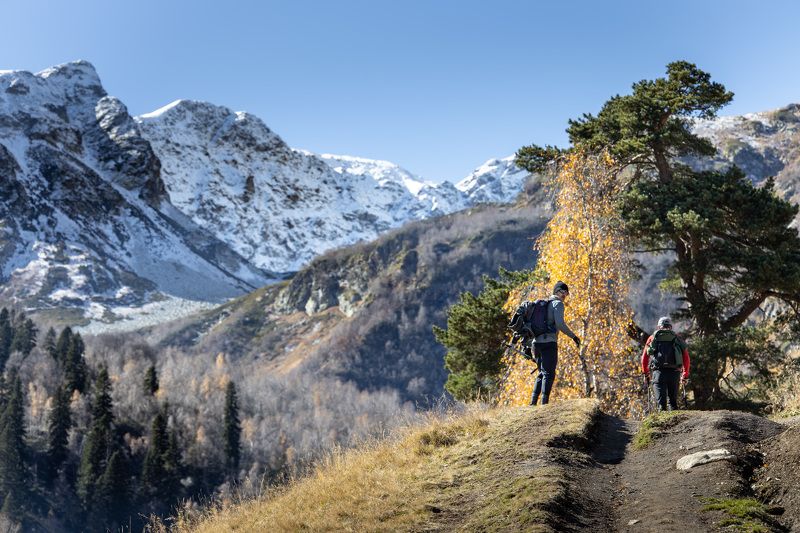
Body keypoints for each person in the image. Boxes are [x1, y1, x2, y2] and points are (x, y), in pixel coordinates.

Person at [530, 281, 581, 405]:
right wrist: (574, 337)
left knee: (542, 372)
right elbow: (560, 324)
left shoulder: (543, 305)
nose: (564, 295)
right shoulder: (558, 304)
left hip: (536, 343)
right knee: (549, 373)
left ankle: (532, 403)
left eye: (566, 293)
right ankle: (544, 404)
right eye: (562, 292)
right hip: (549, 343)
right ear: (556, 292)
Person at [641, 316, 690, 411]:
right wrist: (685, 374)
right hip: (674, 373)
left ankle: (662, 425)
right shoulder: (677, 338)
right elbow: (686, 357)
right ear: (670, 327)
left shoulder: (652, 338)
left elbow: (644, 357)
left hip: (658, 373)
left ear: (659, 327)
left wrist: (645, 373)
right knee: (673, 403)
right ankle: (676, 425)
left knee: (661, 405)